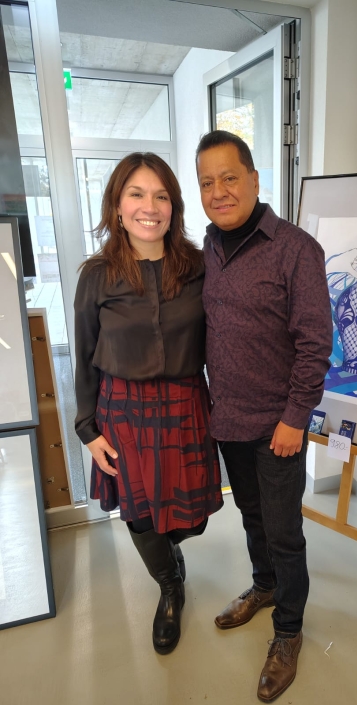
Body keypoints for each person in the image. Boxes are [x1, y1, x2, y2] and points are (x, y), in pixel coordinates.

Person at [196, 130, 333, 702]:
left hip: (279, 426)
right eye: (207, 182)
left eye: (230, 177)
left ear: (254, 179)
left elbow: (315, 343)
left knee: (284, 532)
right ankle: (264, 587)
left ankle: (289, 631)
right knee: (252, 518)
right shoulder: (206, 248)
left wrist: (296, 417)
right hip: (228, 419)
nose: (219, 191)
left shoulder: (295, 249)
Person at [74, 152, 223, 655]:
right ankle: (169, 587)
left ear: (173, 207)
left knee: (190, 519)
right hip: (123, 411)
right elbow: (84, 355)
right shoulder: (96, 275)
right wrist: (87, 428)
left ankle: (170, 554)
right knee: (141, 515)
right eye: (136, 194)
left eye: (161, 196)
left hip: (185, 404)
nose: (149, 206)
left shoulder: (198, 266)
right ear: (117, 206)